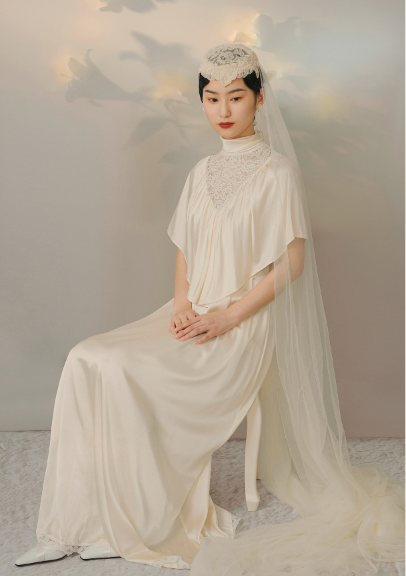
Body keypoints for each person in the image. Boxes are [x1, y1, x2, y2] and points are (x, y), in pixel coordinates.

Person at [15, 44, 404, 574]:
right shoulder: (201, 171)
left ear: (259, 99)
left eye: (236, 97)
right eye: (212, 98)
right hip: (190, 309)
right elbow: (184, 251)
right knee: (87, 357)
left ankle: (136, 524)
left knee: (123, 369)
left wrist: (227, 317)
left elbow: (291, 264)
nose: (223, 109)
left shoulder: (277, 172)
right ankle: (67, 524)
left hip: (241, 326)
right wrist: (181, 305)